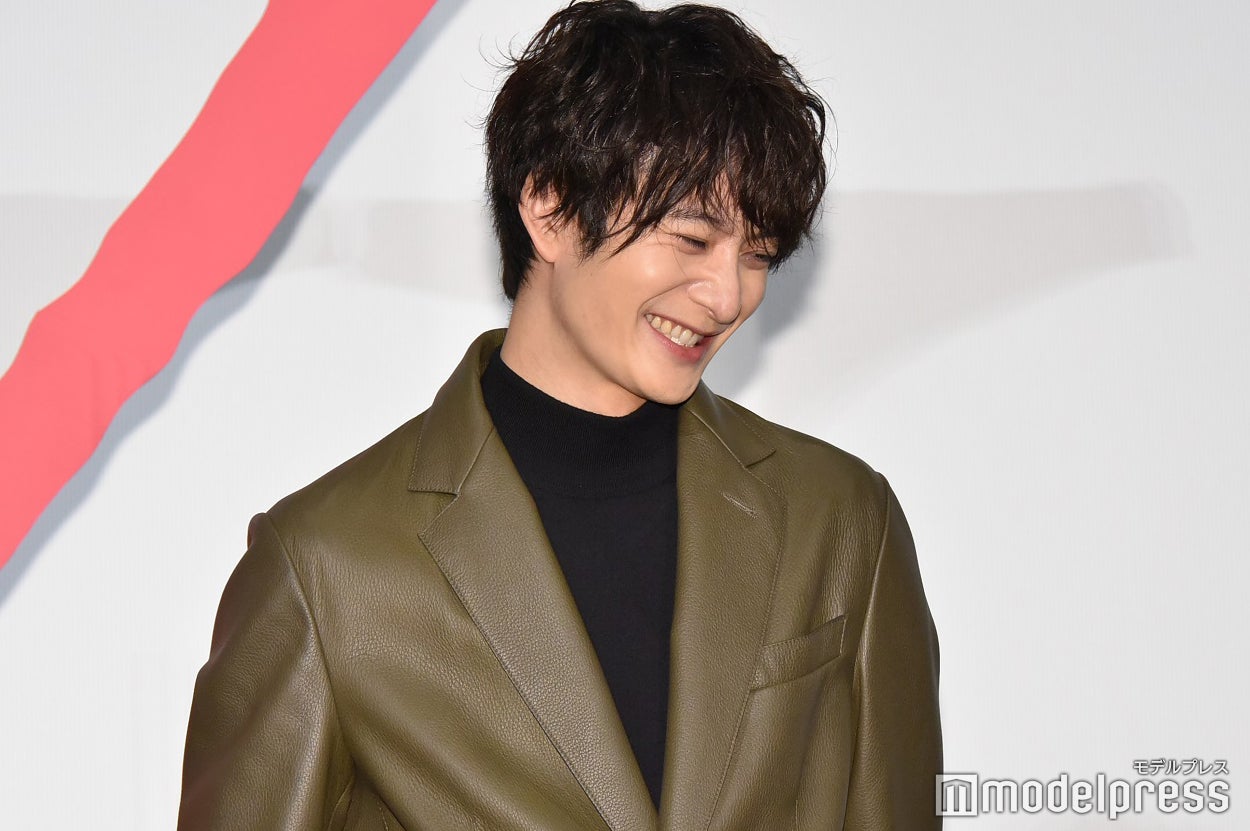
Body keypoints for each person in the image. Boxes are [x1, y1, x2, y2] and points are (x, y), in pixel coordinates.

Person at [177, 1, 942, 829]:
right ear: (549, 206)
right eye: (692, 239)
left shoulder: (842, 518)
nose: (728, 296)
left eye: (757, 255)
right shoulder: (328, 566)